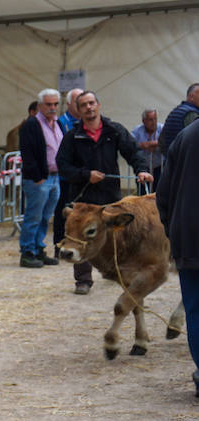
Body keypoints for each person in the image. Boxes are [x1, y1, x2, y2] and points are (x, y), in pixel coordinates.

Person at [55, 90, 153, 295]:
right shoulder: (73, 135)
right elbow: (62, 166)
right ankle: (83, 280)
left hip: (110, 195)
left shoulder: (114, 130)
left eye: (91, 103)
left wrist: (141, 170)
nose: (89, 108)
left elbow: (133, 152)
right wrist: (85, 174)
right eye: (84, 105)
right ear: (78, 110)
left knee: (116, 236)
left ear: (98, 105)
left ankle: (115, 270)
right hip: (83, 197)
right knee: (80, 238)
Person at [154, 120, 199, 398]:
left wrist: (174, 228)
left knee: (195, 309)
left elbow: (164, 193)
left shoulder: (185, 135)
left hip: (188, 236)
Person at [16, 89, 66, 269]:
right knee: (33, 216)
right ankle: (27, 252)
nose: (52, 108)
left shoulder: (58, 123)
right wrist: (37, 177)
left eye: (55, 104)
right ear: (39, 106)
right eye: (48, 104)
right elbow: (27, 152)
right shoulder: (31, 125)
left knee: (45, 217)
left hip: (55, 178)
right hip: (40, 179)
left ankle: (38, 248)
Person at [160, 83, 199, 157]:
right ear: (191, 97)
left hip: (172, 162)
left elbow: (161, 142)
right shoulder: (192, 115)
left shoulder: (176, 111)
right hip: (186, 162)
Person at [132, 108, 164, 180]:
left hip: (159, 166)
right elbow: (131, 145)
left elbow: (168, 141)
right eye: (150, 120)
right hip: (143, 167)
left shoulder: (162, 128)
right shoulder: (137, 131)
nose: (153, 122)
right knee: (142, 189)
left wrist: (149, 144)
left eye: (155, 119)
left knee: (159, 189)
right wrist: (143, 145)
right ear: (144, 121)